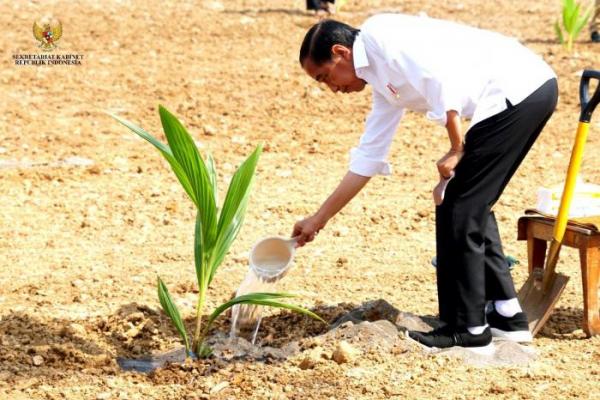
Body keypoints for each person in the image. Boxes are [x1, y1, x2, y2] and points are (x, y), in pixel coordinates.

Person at [293, 14, 558, 350]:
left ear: (340, 53)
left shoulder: (380, 36)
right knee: (463, 200)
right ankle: (507, 316)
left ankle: (469, 328)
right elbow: (368, 158)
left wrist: (456, 147)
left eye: (325, 77)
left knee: (460, 202)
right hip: (521, 93)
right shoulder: (381, 80)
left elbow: (440, 78)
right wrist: (319, 219)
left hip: (518, 89)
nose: (333, 89)